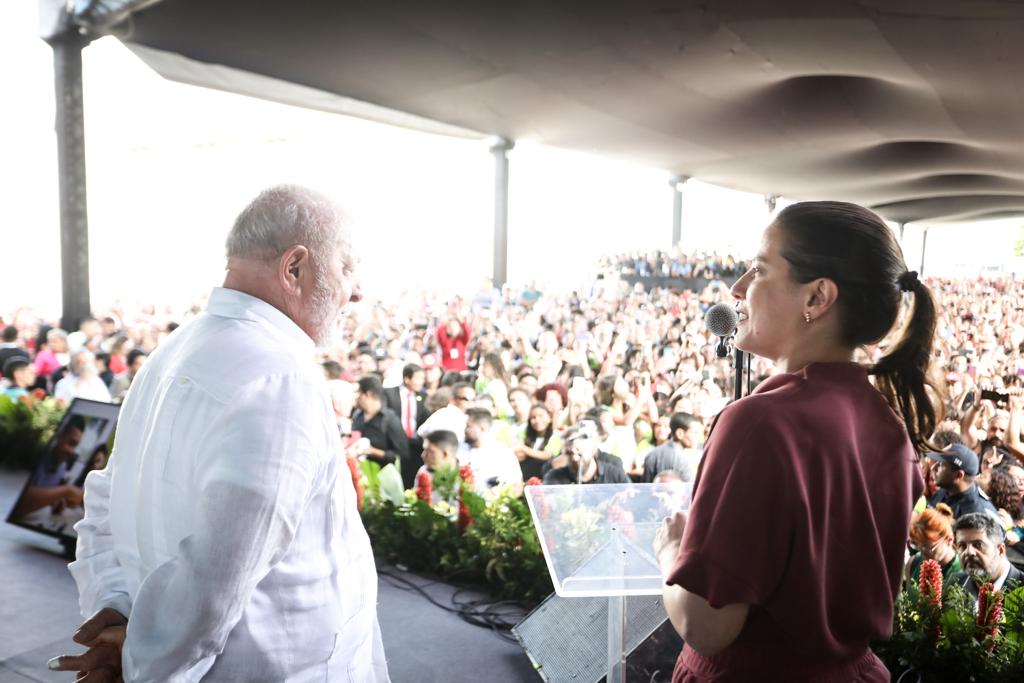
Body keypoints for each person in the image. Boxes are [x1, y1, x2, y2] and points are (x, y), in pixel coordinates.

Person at [52, 186, 389, 682]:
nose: (357, 289)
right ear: (294, 268)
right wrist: (136, 661)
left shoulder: (175, 349)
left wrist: (116, 613)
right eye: (347, 266)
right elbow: (215, 581)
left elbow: (104, 499)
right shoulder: (280, 379)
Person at [653, 201, 938, 681]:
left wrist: (670, 549)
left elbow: (707, 625)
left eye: (760, 269)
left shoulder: (759, 424)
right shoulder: (888, 423)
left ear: (817, 298)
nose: (738, 287)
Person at [951, 512, 1024, 604]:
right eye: (962, 546)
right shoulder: (953, 585)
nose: (969, 552)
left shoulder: (1021, 590)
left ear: (1000, 550)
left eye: (978, 545)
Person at [384, 363, 429, 488]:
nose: (421, 382)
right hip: (395, 445)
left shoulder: (424, 397)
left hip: (415, 446)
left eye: (423, 379)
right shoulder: (389, 394)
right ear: (407, 379)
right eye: (418, 378)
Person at [542, 421, 629, 485]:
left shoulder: (614, 475)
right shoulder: (555, 478)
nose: (574, 458)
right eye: (569, 453)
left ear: (593, 449)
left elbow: (633, 498)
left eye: (579, 451)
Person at [461, 407, 523, 497]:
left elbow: (517, 486)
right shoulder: (459, 451)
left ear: (482, 428)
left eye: (468, 426)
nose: (465, 430)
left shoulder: (503, 453)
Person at [927, 443, 998, 519]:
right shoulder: (946, 489)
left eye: (941, 464)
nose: (933, 468)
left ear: (959, 475)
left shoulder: (979, 514)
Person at [905, 503, 962, 586]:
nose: (922, 552)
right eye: (917, 545)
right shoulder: (913, 563)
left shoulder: (962, 572)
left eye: (928, 546)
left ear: (949, 540)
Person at [641, 412, 701, 483]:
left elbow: (646, 488)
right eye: (695, 433)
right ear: (680, 433)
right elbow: (689, 491)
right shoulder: (684, 459)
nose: (698, 438)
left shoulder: (653, 454)